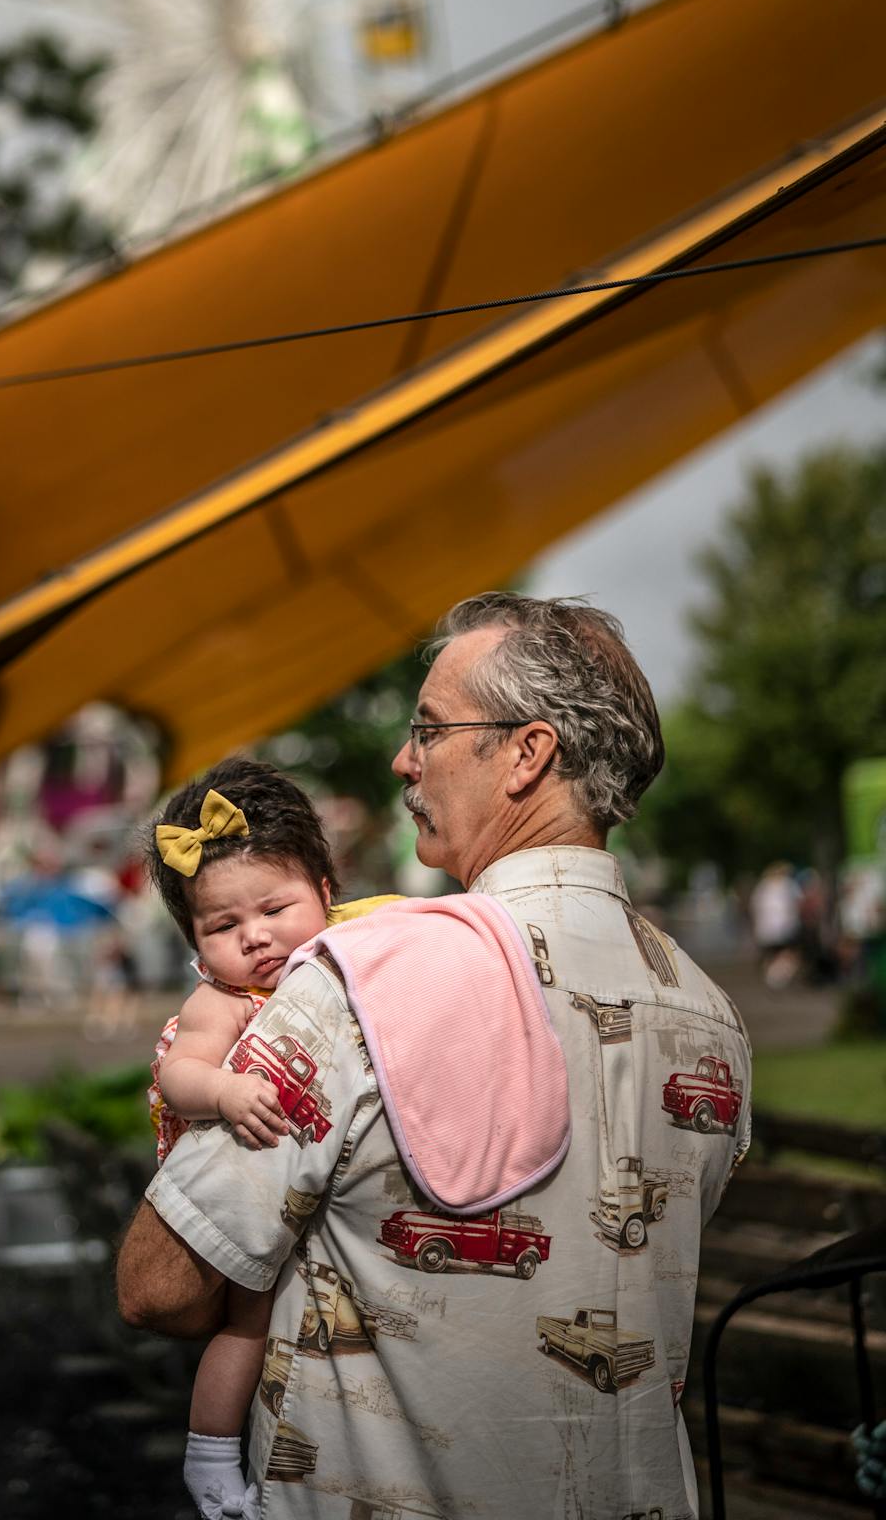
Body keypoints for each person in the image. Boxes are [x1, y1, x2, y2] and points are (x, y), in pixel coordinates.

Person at [118, 593, 753, 1520]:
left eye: (429, 729)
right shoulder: (712, 1016)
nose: (402, 758)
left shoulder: (361, 979)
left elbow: (161, 1286)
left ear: (526, 754)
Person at [145, 764, 394, 1520]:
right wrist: (223, 1090)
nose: (254, 937)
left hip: (315, 1172)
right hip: (242, 1164)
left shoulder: (358, 940)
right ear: (195, 938)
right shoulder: (220, 999)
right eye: (222, 927)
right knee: (247, 1320)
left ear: (326, 889)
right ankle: (214, 1459)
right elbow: (179, 1072)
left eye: (274, 909)